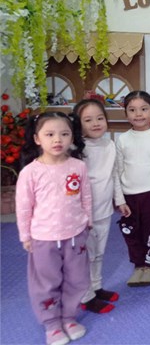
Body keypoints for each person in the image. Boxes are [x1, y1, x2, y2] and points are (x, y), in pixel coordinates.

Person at [16, 111, 92, 345]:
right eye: (49, 134)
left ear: (72, 137)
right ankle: (51, 324)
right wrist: (25, 236)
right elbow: (24, 207)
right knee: (46, 283)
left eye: (64, 134)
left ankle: (69, 317)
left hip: (76, 235)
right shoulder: (30, 172)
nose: (57, 139)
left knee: (77, 279)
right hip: (43, 239)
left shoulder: (78, 166)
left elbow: (86, 196)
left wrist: (88, 221)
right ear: (37, 139)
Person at [114, 91, 150, 287]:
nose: (138, 114)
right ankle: (138, 265)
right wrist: (119, 199)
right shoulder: (122, 140)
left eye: (143, 109)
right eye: (132, 110)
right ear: (126, 114)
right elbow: (117, 171)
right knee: (132, 233)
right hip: (129, 196)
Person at [73, 99, 120, 314]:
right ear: (78, 124)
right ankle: (86, 296)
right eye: (88, 120)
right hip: (83, 214)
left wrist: (119, 200)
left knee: (99, 252)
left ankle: (96, 286)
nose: (96, 123)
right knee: (85, 255)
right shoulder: (75, 149)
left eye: (100, 118)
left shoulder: (109, 145)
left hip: (104, 209)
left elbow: (114, 175)